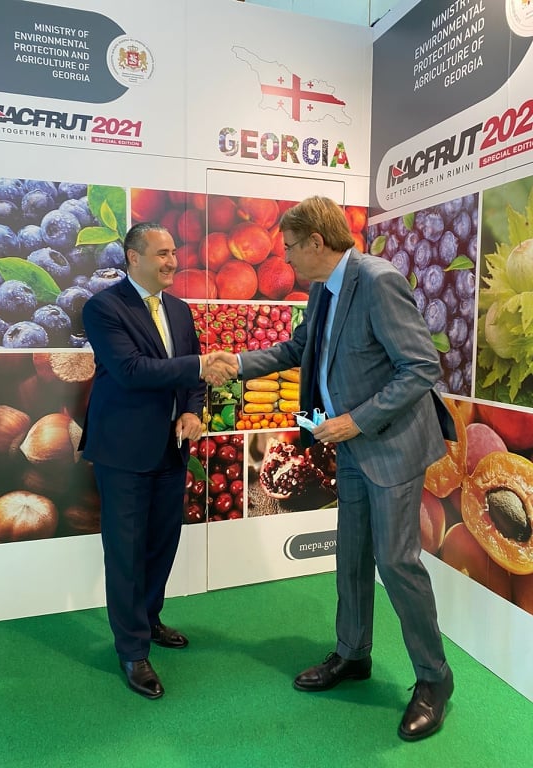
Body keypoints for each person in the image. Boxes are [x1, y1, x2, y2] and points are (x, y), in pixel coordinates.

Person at [216, 196, 456, 741]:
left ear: (317, 242)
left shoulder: (377, 280)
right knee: (351, 555)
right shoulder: (323, 288)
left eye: (291, 247)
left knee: (396, 562)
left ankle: (434, 679)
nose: (285, 259)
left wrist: (356, 420)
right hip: (349, 448)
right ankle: (353, 654)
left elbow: (421, 366)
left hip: (390, 446)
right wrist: (238, 364)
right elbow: (299, 349)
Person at [79, 221, 237, 699]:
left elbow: (190, 376)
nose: (172, 261)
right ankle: (132, 650)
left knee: (162, 542)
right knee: (125, 552)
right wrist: (200, 366)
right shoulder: (103, 308)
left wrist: (192, 410)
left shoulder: (180, 310)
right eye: (162, 253)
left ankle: (149, 620)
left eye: (174, 252)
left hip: (172, 447)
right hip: (124, 451)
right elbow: (130, 371)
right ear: (133, 257)